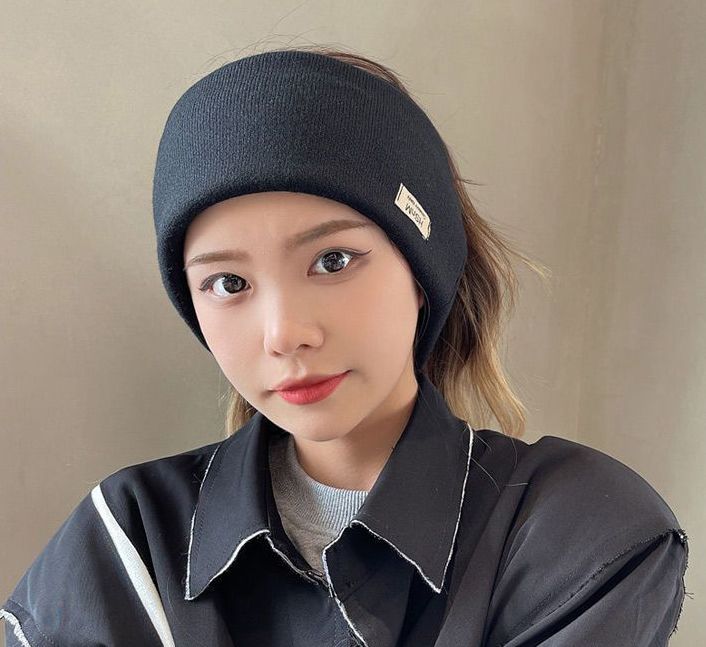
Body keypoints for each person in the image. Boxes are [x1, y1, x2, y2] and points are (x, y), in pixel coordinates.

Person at [1, 46, 689, 647]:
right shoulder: (129, 538)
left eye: (332, 261)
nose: (284, 333)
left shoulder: (582, 535)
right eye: (228, 283)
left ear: (421, 271)